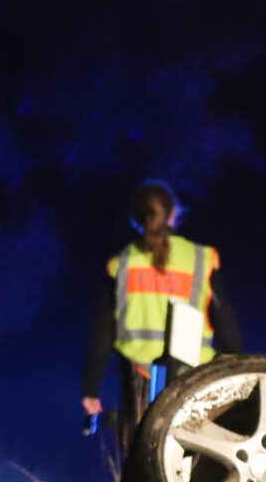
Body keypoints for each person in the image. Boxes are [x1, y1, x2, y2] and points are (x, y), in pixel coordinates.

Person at [82, 181, 243, 447]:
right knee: (192, 456)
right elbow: (226, 326)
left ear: (137, 219)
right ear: (173, 214)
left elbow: (102, 336)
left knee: (143, 456)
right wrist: (237, 373)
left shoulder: (121, 265)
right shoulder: (201, 259)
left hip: (138, 379)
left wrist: (90, 390)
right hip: (195, 376)